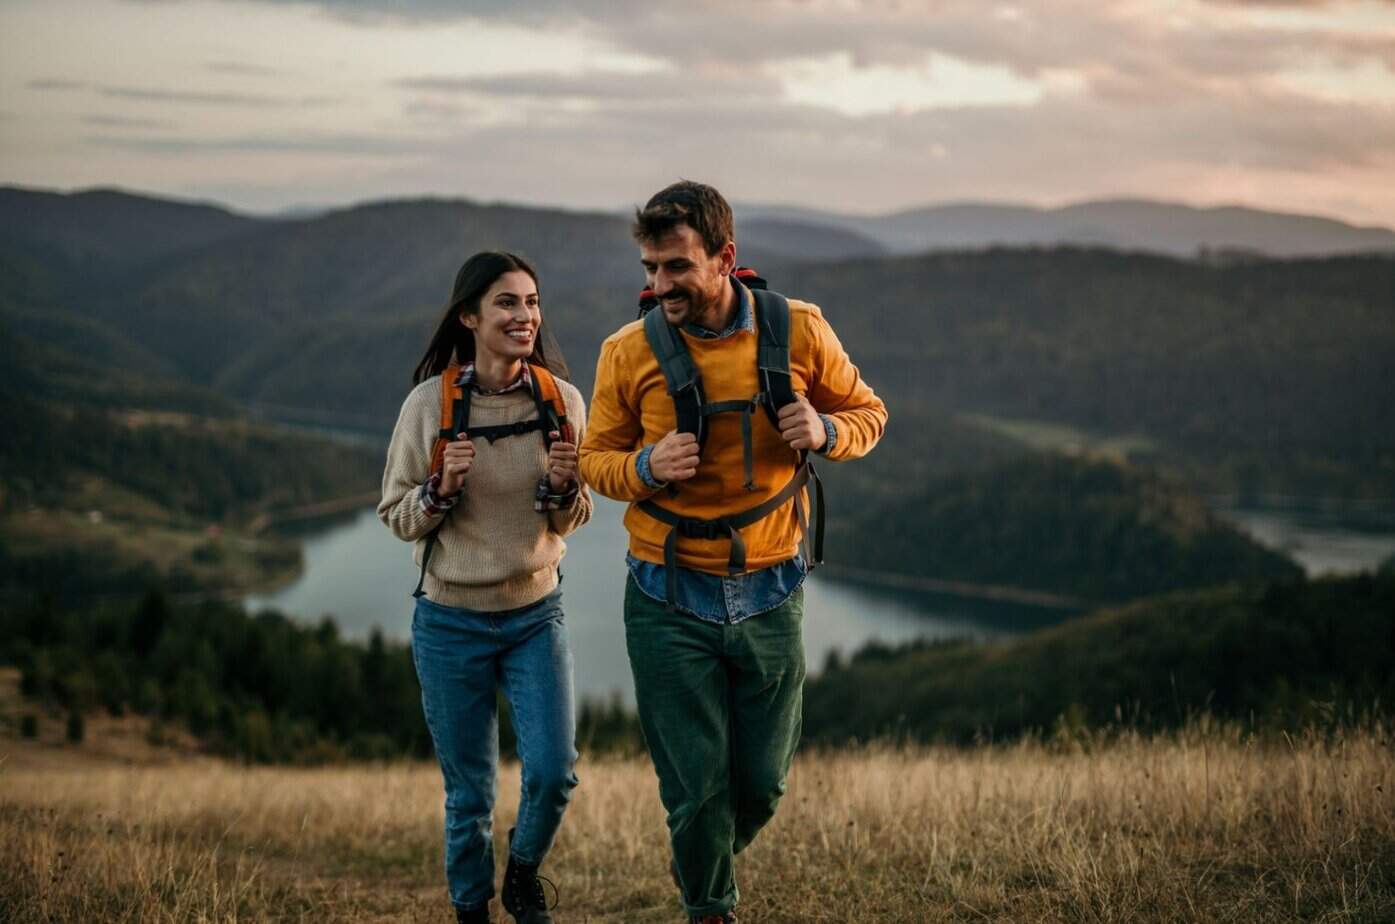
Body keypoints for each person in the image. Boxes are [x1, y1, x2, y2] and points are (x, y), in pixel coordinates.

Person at [578, 181, 888, 923]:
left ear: (725, 258)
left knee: (761, 783)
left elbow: (868, 412)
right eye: (651, 267)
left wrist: (826, 433)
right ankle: (709, 903)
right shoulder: (626, 353)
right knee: (695, 786)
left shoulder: (800, 330)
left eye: (677, 267)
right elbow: (595, 460)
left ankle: (702, 846)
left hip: (772, 586)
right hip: (663, 591)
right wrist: (647, 467)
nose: (659, 285)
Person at [379, 251, 592, 924]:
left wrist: (563, 487)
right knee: (469, 796)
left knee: (554, 772)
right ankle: (471, 909)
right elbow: (396, 516)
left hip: (535, 613)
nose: (524, 316)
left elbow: (572, 516)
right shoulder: (429, 406)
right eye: (506, 303)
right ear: (468, 316)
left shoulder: (562, 401)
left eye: (531, 302)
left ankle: (522, 874)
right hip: (450, 622)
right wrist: (439, 489)